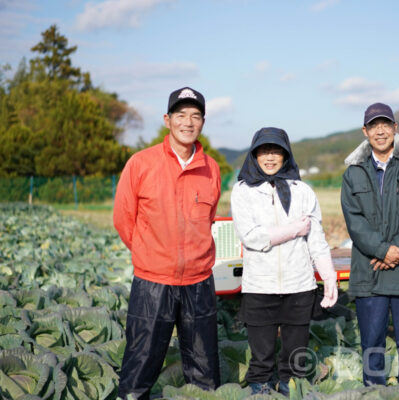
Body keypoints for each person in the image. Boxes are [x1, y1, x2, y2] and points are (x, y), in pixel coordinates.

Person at [113, 87, 221, 398]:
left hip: (199, 281)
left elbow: (209, 219)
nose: (188, 122)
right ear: (167, 119)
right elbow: (124, 219)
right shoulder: (141, 163)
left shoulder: (211, 168)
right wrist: (152, 256)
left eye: (195, 116)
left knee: (204, 369)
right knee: (140, 363)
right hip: (152, 281)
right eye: (181, 115)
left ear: (202, 122)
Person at [230, 127, 338, 396]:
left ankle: (291, 387)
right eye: (264, 151)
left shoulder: (302, 191)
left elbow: (316, 239)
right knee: (261, 354)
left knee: (295, 353)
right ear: (254, 155)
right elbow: (252, 237)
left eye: (276, 151)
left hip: (298, 283)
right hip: (260, 285)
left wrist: (328, 276)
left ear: (286, 154)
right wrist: (293, 230)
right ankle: (260, 387)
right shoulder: (243, 191)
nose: (270, 157)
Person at [340, 103, 399, 386]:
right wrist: (383, 251)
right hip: (370, 271)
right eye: (373, 125)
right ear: (365, 131)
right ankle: (373, 391)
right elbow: (354, 221)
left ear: (395, 128)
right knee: (372, 345)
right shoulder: (353, 173)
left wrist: (393, 252)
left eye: (385, 124)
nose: (380, 131)